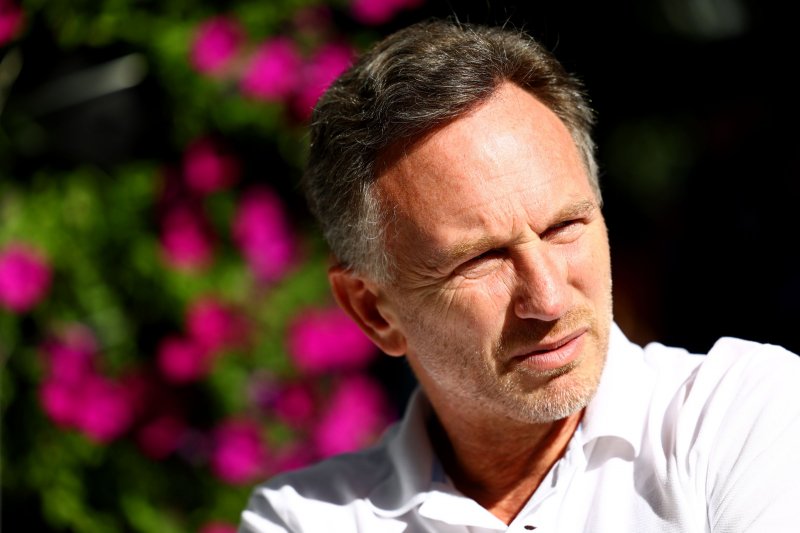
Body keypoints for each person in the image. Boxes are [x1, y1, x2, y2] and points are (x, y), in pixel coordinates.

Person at [239, 18, 800, 532]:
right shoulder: (305, 518)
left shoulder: (741, 416)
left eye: (564, 226)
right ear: (373, 310)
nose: (548, 298)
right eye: (481, 258)